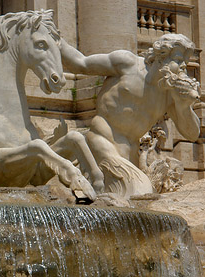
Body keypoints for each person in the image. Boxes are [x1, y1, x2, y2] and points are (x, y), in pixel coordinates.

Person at [54, 34, 201, 198]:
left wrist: (184, 105)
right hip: (102, 140)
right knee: (140, 193)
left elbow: (192, 134)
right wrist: (56, 40)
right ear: (161, 56)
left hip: (131, 156)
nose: (183, 68)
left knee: (135, 197)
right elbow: (81, 64)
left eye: (185, 63)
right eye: (179, 60)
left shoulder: (169, 94)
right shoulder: (127, 64)